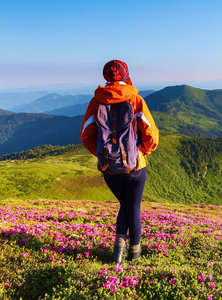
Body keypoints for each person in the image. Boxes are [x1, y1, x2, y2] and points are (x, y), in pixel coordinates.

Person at [80, 60, 159, 263]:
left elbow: (85, 135)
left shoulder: (96, 101)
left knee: (124, 204)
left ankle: (118, 255)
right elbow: (150, 132)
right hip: (134, 166)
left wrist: (102, 155)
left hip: (109, 167)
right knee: (132, 206)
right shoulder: (136, 99)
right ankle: (135, 253)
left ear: (106, 76)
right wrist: (142, 152)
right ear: (126, 75)